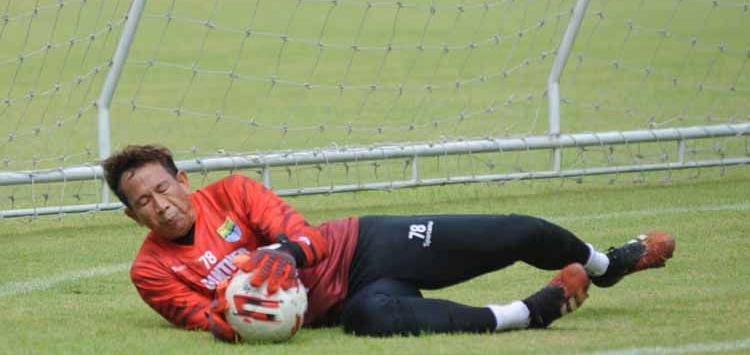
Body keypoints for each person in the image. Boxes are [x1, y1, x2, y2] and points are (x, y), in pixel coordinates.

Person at [102, 144, 675, 342]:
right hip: (342, 306)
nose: (162, 206)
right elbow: (201, 318)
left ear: (183, 181)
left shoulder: (232, 192)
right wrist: (240, 316)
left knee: (517, 231)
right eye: (144, 203)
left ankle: (606, 265)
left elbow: (301, 234)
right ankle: (528, 313)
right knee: (371, 321)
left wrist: (286, 255)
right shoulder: (149, 272)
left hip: (363, 246)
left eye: (164, 189)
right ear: (133, 217)